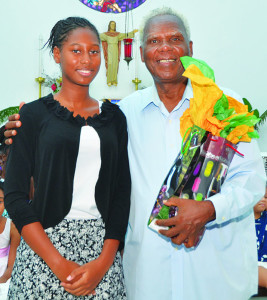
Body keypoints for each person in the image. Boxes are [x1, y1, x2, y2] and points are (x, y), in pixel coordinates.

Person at [3, 7, 267, 300]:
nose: (165, 47)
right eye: (154, 41)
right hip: (149, 274)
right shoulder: (126, 112)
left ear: (190, 48)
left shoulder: (225, 107)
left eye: (175, 39)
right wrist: (15, 128)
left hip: (213, 271)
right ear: (141, 54)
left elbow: (252, 180)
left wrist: (210, 209)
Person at [4, 17, 130, 299]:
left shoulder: (114, 118)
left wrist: (104, 262)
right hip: (44, 247)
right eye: (76, 50)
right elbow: (14, 195)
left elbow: (122, 194)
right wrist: (58, 264)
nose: (87, 59)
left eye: (94, 51)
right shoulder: (33, 115)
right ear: (57, 54)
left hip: (101, 251)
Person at [100, 21, 137, 86]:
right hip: (109, 50)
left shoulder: (117, 34)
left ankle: (114, 80)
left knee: (115, 64)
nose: (113, 26)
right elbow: (97, 36)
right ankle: (109, 80)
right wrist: (90, 33)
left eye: (114, 24)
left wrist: (132, 32)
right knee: (110, 64)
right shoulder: (106, 34)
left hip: (115, 50)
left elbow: (125, 35)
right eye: (111, 24)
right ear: (109, 25)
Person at [0, 182, 20, 299]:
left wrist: (3, 279)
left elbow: (11, 266)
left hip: (4, 276)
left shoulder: (12, 226)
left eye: (0, 201)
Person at [254, 186, 267, 290]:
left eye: (266, 197)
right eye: (259, 196)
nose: (263, 199)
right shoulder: (239, 222)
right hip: (249, 265)